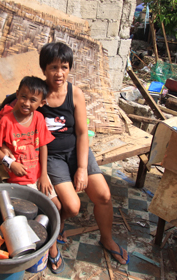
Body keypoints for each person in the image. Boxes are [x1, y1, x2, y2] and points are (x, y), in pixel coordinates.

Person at [37, 42, 129, 265]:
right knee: (72, 207)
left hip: (76, 151)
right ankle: (58, 226)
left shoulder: (75, 94)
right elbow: (14, 106)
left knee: (104, 196)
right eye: (53, 67)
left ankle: (106, 239)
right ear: (44, 69)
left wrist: (81, 168)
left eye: (64, 67)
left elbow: (81, 133)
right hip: (52, 157)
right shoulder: (37, 94)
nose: (59, 73)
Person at [0, 76, 65, 273]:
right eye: (23, 97)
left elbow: (43, 145)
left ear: (41, 103)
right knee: (32, 214)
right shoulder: (7, 121)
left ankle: (49, 240)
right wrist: (10, 163)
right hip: (20, 180)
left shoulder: (38, 118)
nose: (26, 103)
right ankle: (47, 248)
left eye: (33, 100)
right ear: (17, 94)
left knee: (56, 206)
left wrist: (44, 175)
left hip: (38, 176)